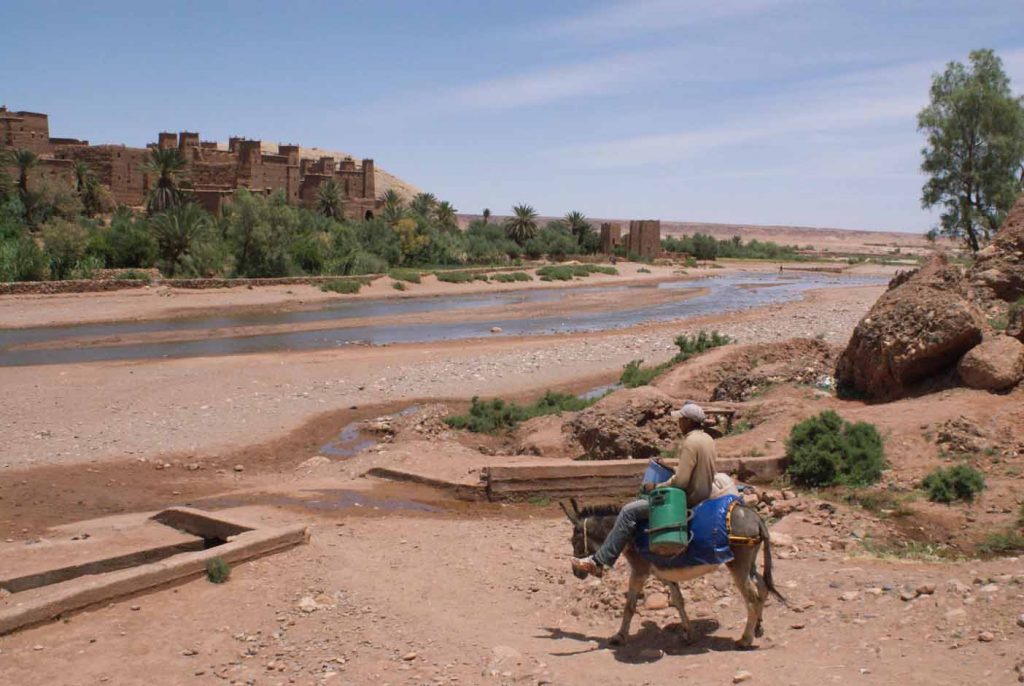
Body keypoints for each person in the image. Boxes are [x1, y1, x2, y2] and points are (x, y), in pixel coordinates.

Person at [571, 401, 718, 577]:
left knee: (628, 511)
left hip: (686, 499)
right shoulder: (707, 439)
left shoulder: (689, 443)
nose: (679, 424)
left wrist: (656, 486)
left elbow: (681, 482)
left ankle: (599, 561)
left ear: (688, 421)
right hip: (703, 494)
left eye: (681, 420)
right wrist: (671, 470)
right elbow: (693, 471)